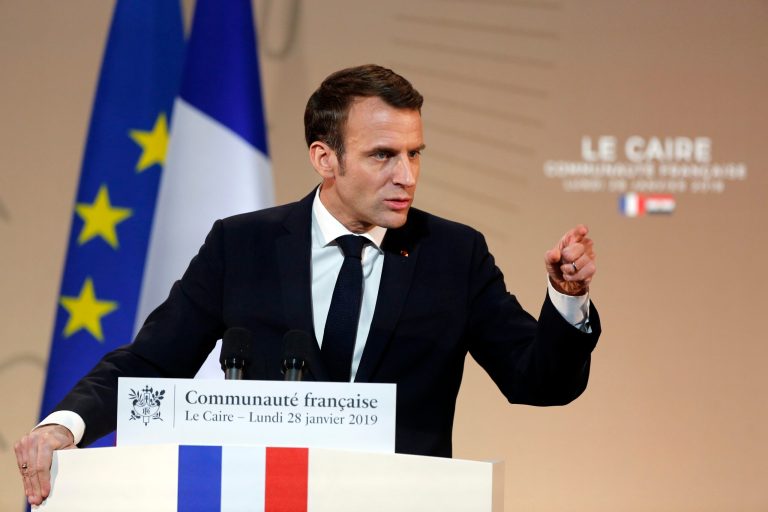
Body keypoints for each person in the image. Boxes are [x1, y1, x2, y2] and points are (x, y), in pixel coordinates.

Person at [15, 64, 600, 506]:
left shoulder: (452, 253)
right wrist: (64, 425)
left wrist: (567, 301)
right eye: (383, 155)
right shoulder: (241, 245)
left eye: (415, 154)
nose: (407, 176)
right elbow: (151, 361)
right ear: (325, 158)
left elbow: (537, 381)